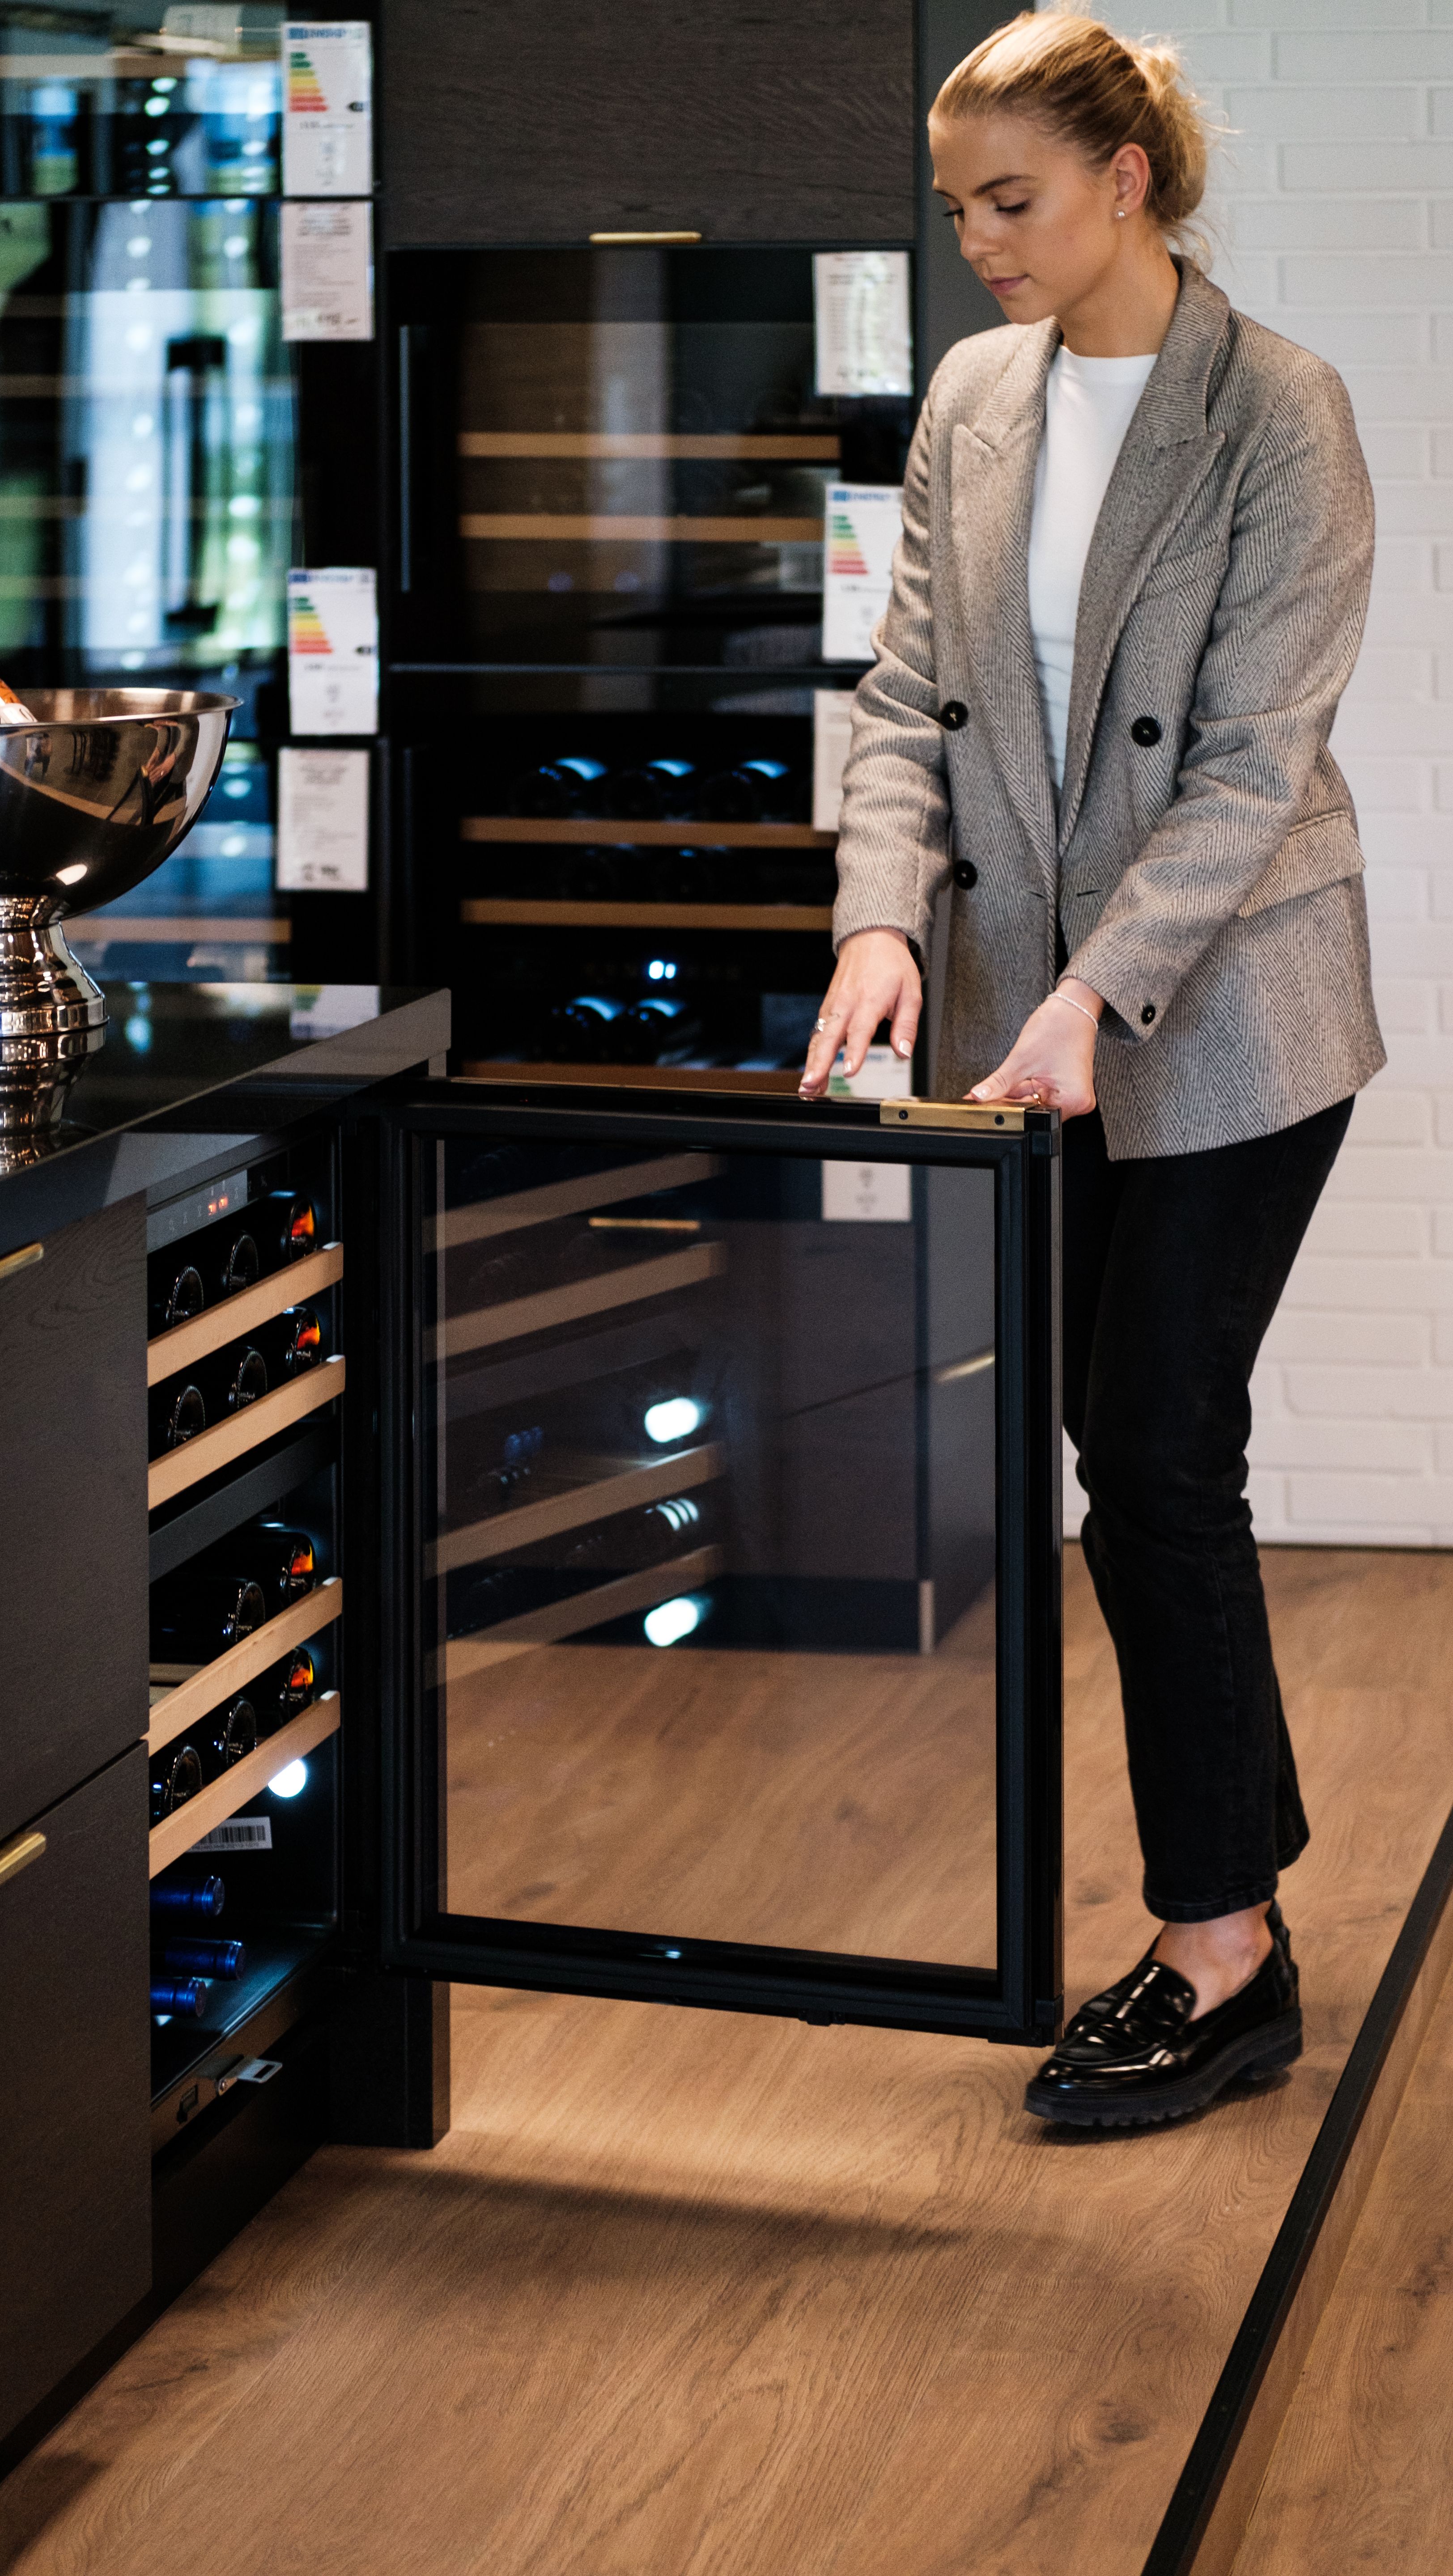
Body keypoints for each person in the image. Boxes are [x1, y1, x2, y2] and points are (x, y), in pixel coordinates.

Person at [800, 11, 1384, 2127]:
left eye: (1012, 199)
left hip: (1226, 1015)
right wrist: (886, 917)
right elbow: (907, 697)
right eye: (959, 205)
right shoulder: (975, 398)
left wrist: (1095, 988)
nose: (979, 241)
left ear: (1127, 181)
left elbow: (1251, 766)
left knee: (1152, 1444)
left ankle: (1221, 1949)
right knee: (1112, 1443)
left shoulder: (1278, 412)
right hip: (1016, 1014)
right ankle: (1245, 1877)